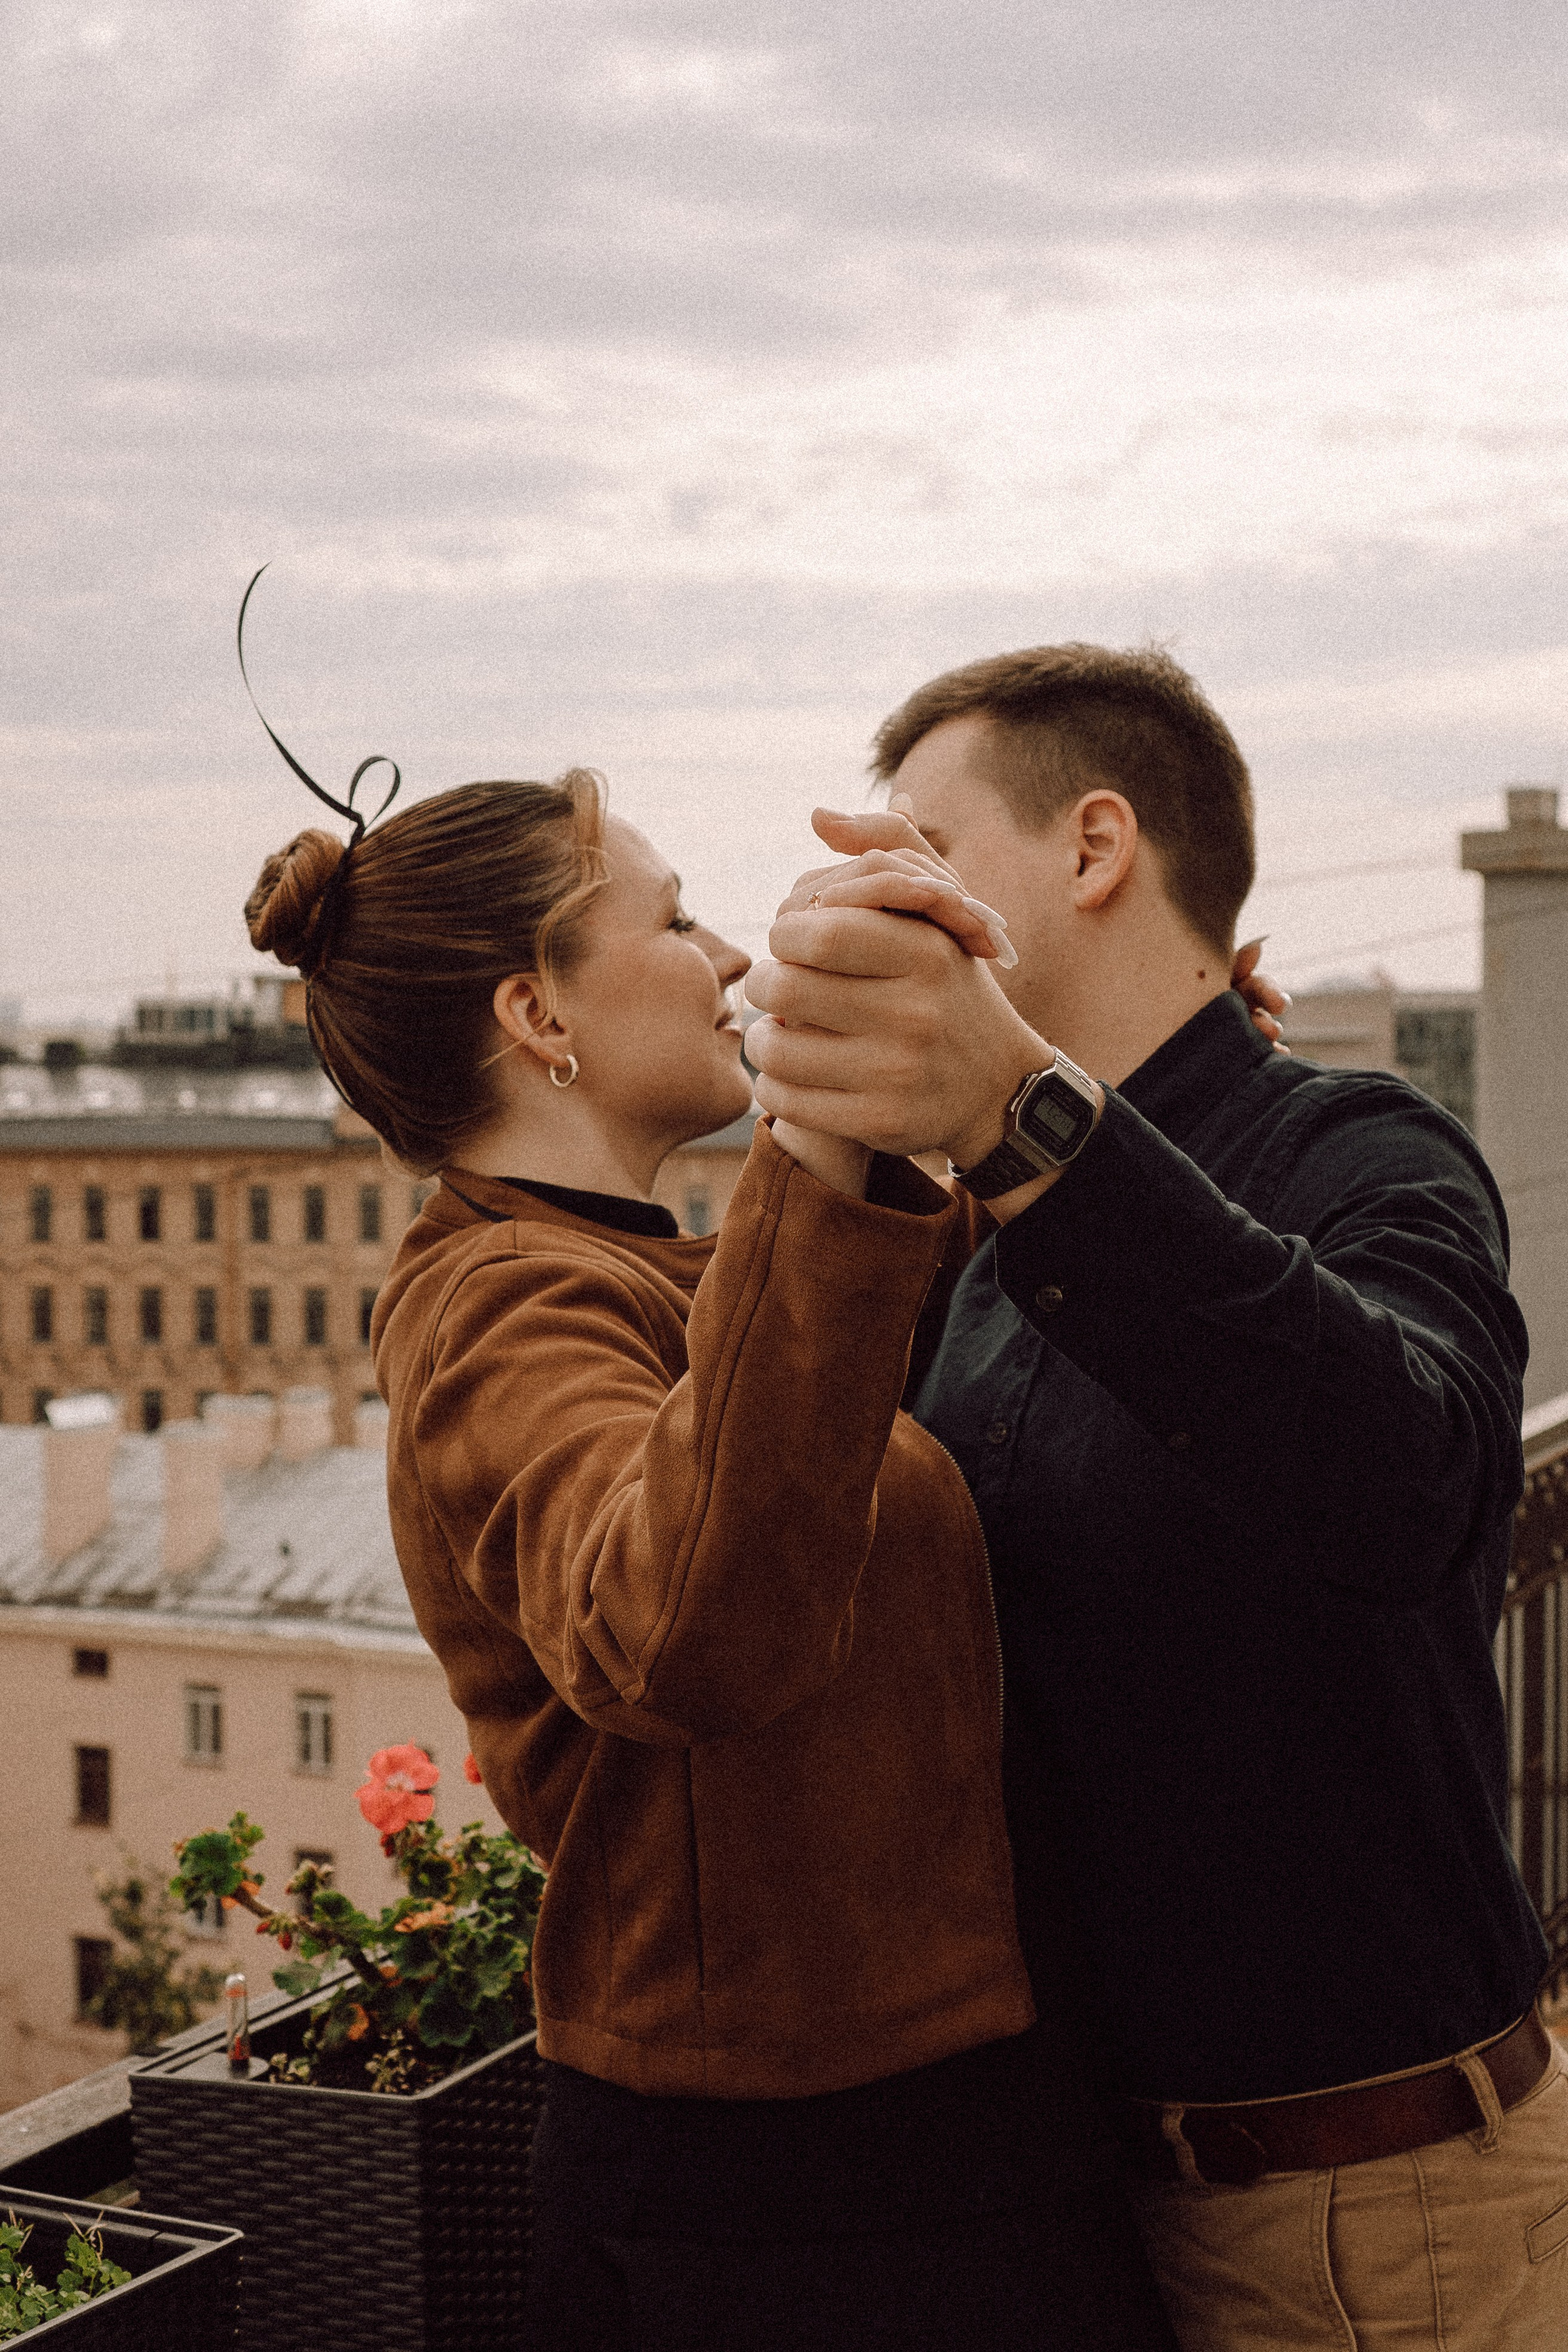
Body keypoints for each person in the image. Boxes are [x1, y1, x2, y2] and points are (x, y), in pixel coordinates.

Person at [241, 748, 1185, 2351]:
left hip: (932, 2127)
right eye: (675, 920)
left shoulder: (674, 1278)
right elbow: (679, 1620)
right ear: (538, 1015)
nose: (736, 955)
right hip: (783, 2198)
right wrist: (821, 1139)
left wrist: (1139, 1045)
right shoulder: (500, 1309)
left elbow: (983, 1296)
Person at [743, 641, 1568, 2351]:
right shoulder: (982, 1255)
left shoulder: (1365, 1154)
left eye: (924, 856)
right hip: (1074, 2209)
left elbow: (1412, 1484)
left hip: (1377, 2219)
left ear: (1095, 851)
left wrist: (1024, 1115)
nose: (877, 902)